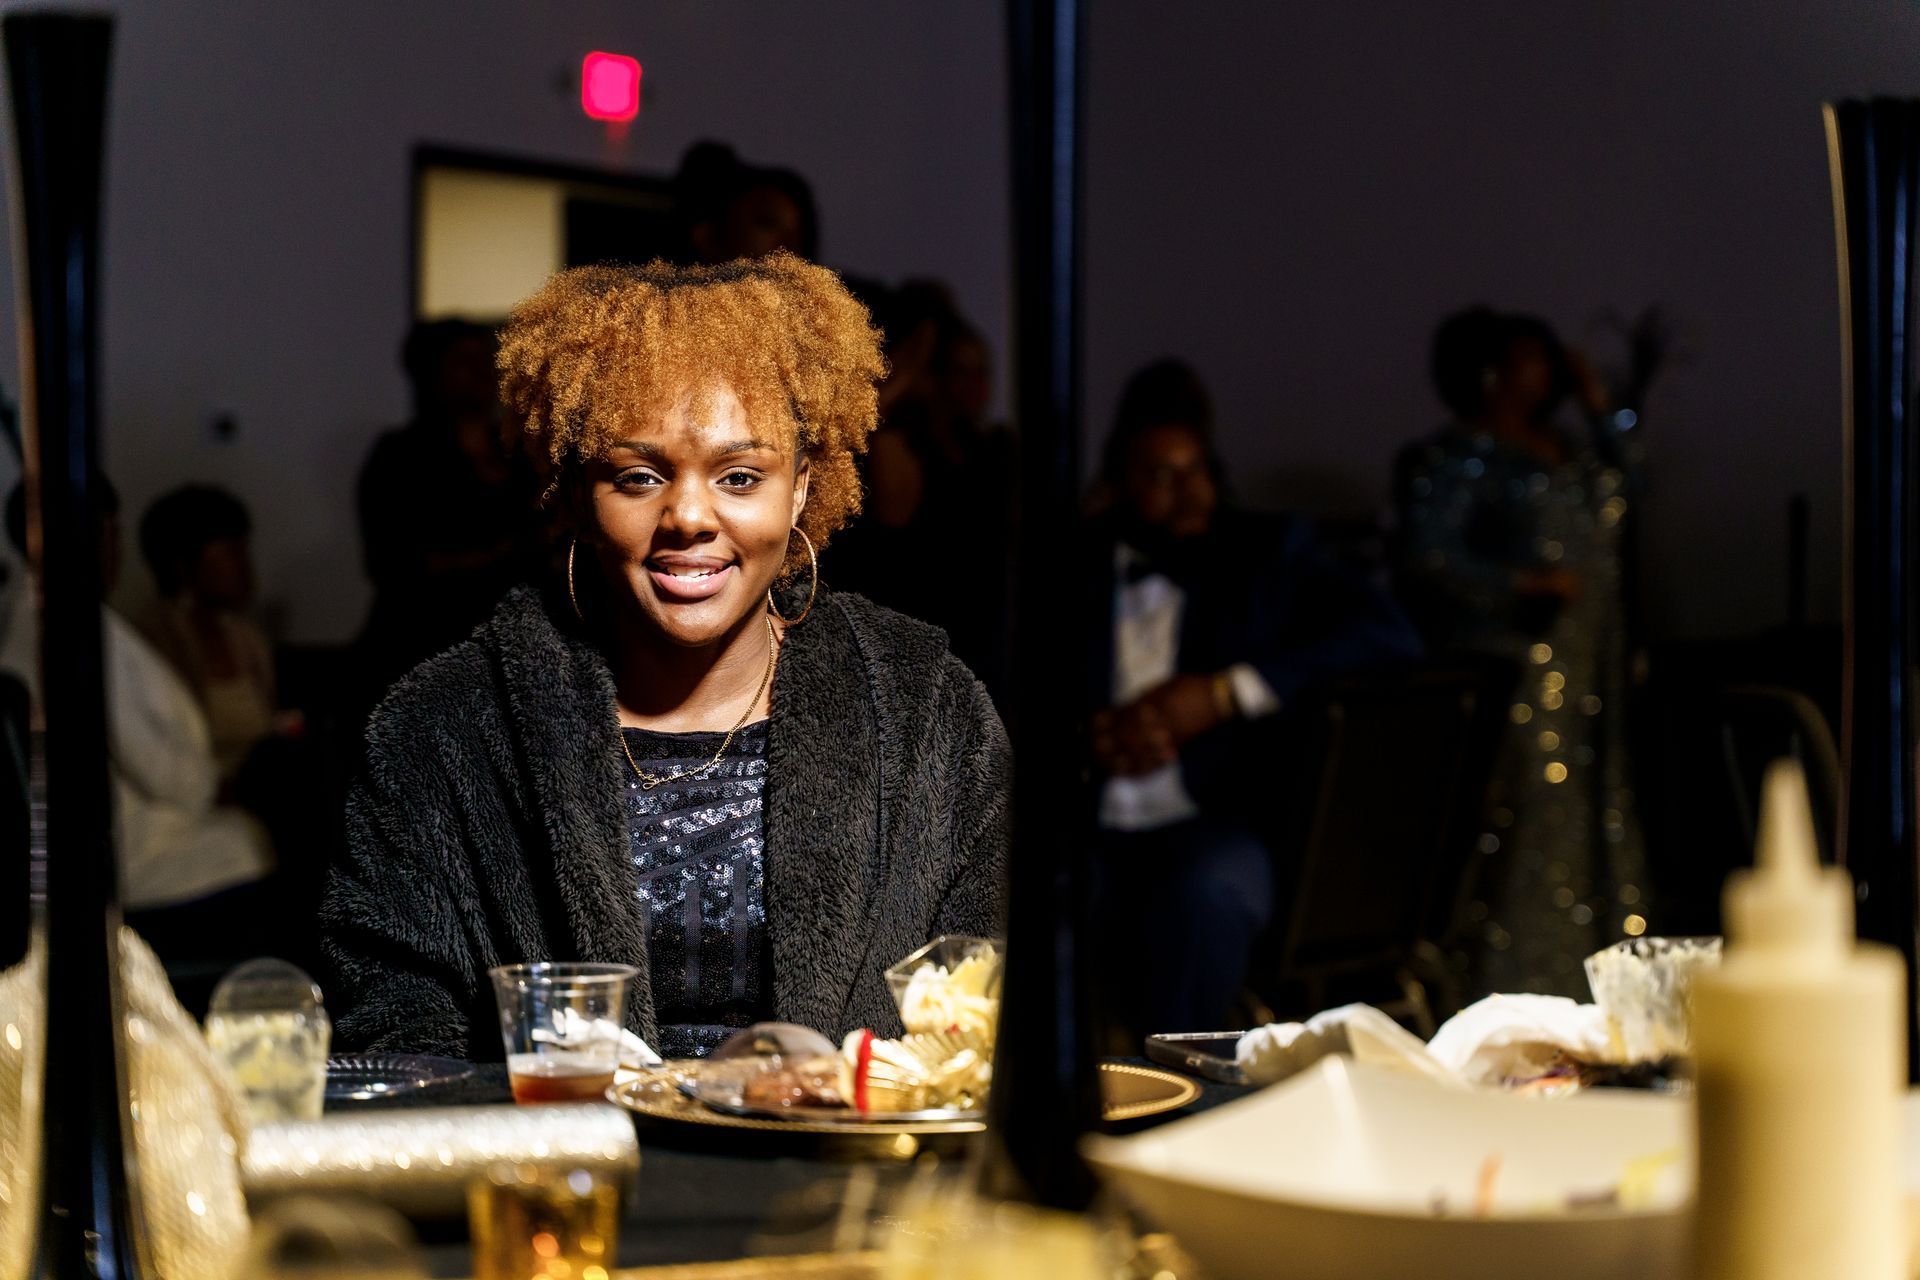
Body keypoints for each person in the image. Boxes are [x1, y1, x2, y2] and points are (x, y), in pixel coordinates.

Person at [322, 253, 1009, 1061]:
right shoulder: (444, 731)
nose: (689, 515)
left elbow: (996, 985)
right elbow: (392, 1029)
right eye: (640, 476)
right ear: (576, 493)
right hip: (572, 1173)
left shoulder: (926, 710)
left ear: (799, 488)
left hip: (854, 1171)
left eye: (741, 475)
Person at [1084, 360, 1423, 1038]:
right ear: (1118, 483)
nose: (1190, 495)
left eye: (1198, 469)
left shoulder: (1265, 553)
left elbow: (1390, 634)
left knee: (1207, 894)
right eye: (1161, 476)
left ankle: (1179, 1101)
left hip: (1215, 819)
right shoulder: (1075, 561)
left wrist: (1223, 694)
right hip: (1086, 819)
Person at [1393, 307, 1646, 998]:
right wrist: (1521, 582)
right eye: (1532, 358)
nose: (1547, 372)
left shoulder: (1563, 448)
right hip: (1516, 667)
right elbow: (1426, 556)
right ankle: (1516, 986)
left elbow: (1626, 490)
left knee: (1594, 817)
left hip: (1586, 664)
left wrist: (1604, 411)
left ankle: (1601, 989)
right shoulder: (1458, 456)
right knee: (1527, 826)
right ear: (1492, 370)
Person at [0, 482, 273, 919]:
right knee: (263, 841)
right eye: (105, 532)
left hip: (130, 834)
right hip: (128, 851)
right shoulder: (62, 626)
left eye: (115, 533)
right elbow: (154, 762)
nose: (115, 549)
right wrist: (211, 788)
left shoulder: (60, 616)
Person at [352, 319, 539, 711]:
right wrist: (497, 556)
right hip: (423, 643)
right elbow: (392, 561)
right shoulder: (401, 457)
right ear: (432, 374)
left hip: (515, 645)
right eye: (464, 362)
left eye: (488, 360)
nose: (482, 372)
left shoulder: (521, 454)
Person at [133, 484, 277, 780]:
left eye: (245, 549)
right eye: (231, 552)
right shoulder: (154, 639)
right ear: (183, 564)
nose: (245, 565)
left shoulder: (247, 638)